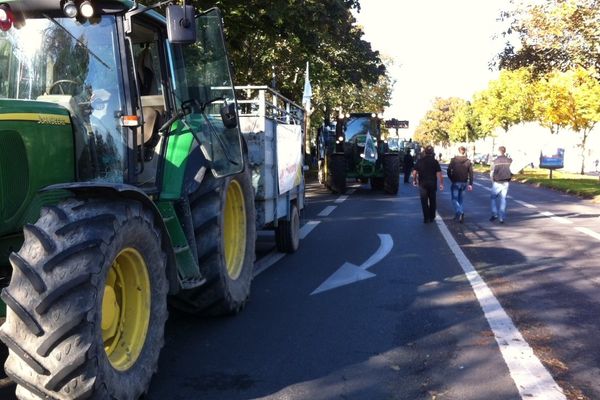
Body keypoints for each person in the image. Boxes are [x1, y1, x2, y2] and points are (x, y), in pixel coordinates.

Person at [413, 145, 444, 223]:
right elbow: (439, 174)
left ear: (425, 152)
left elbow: (414, 172)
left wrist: (414, 180)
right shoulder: (435, 162)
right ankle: (432, 216)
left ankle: (426, 218)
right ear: (432, 152)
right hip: (432, 183)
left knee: (424, 201)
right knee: (432, 200)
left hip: (422, 184)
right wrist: (441, 183)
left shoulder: (420, 161)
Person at [447, 146, 473, 223]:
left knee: (454, 199)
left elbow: (448, 171)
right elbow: (471, 173)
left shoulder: (454, 160)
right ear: (464, 152)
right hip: (464, 182)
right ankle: (458, 215)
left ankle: (460, 212)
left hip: (456, 182)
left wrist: (452, 179)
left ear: (458, 151)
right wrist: (470, 184)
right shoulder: (468, 161)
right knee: (460, 200)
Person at [489, 146, 512, 223]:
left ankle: (494, 214)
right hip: (506, 182)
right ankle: (501, 217)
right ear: (504, 151)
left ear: (499, 151)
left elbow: (492, 172)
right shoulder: (509, 160)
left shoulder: (495, 161)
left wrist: (492, 181)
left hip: (497, 182)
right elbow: (512, 171)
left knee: (493, 198)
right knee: (503, 199)